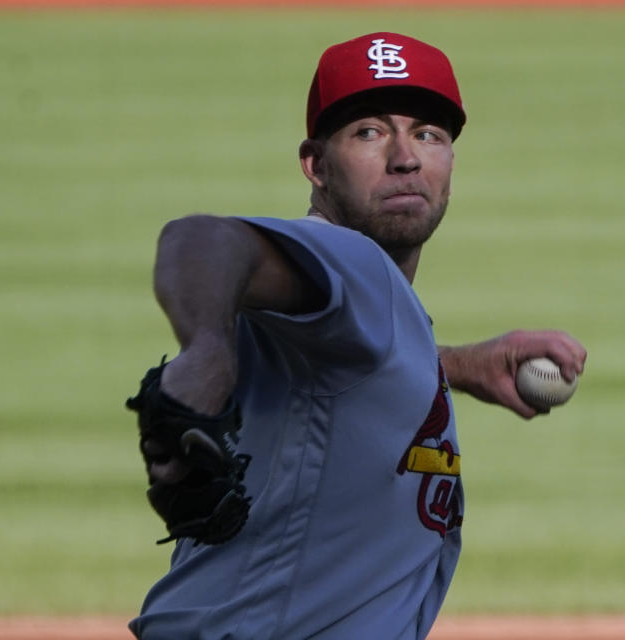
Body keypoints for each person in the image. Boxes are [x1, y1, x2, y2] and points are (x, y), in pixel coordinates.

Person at [128, 32, 587, 640]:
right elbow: (200, 240)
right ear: (316, 165)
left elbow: (339, 376)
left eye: (428, 134)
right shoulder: (349, 258)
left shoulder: (369, 311)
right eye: (369, 132)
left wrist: (454, 366)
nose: (406, 157)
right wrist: (206, 351)